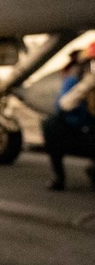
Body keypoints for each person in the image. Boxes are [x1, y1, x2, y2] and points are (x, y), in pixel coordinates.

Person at [42, 43, 95, 190]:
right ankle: (58, 176)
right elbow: (64, 105)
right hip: (77, 133)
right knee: (50, 124)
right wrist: (86, 86)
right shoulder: (75, 82)